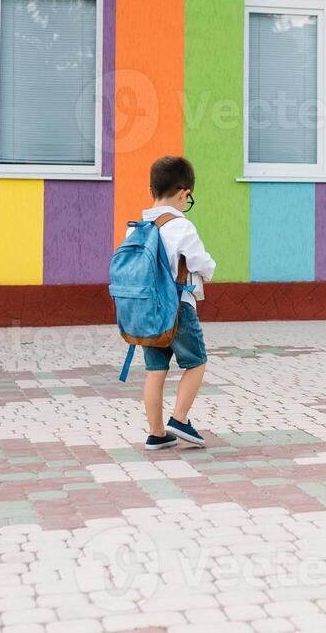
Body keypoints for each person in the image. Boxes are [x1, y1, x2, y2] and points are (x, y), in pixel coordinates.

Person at [131, 155, 216, 451]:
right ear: (184, 194)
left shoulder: (137, 228)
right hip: (178, 307)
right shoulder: (181, 226)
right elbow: (201, 263)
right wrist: (210, 267)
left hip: (146, 312)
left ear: (150, 189)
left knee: (156, 371)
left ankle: (156, 433)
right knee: (196, 362)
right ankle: (179, 419)